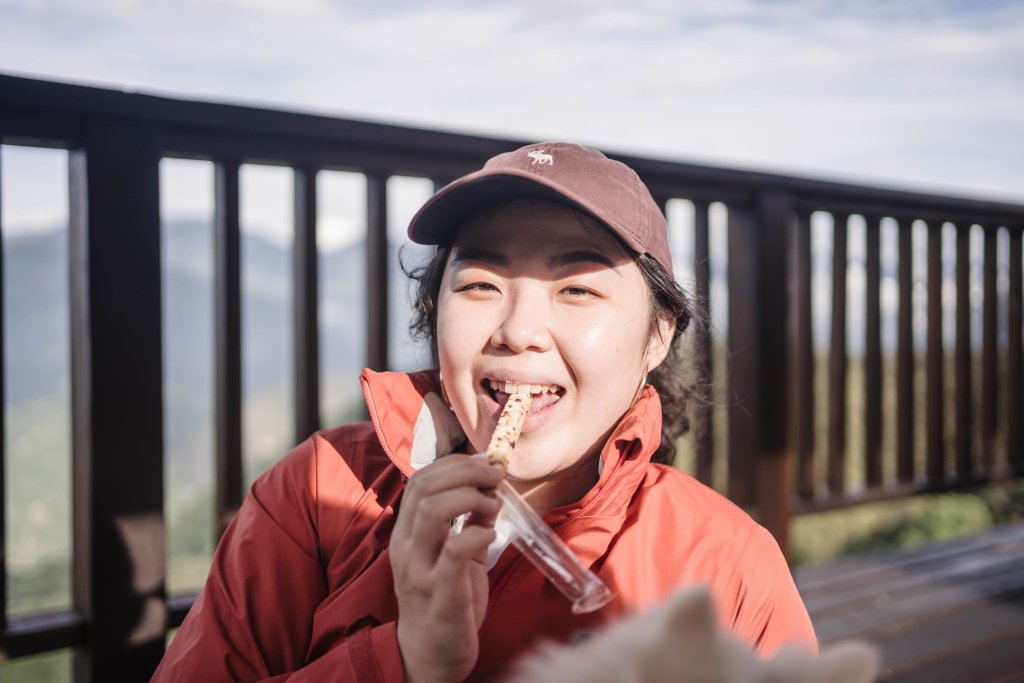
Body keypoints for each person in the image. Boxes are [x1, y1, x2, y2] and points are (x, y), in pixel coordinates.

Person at [151, 142, 816, 683]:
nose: (519, 329)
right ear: (434, 311)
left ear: (658, 334)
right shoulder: (319, 493)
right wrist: (402, 660)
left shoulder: (725, 566)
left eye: (577, 288)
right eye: (480, 284)